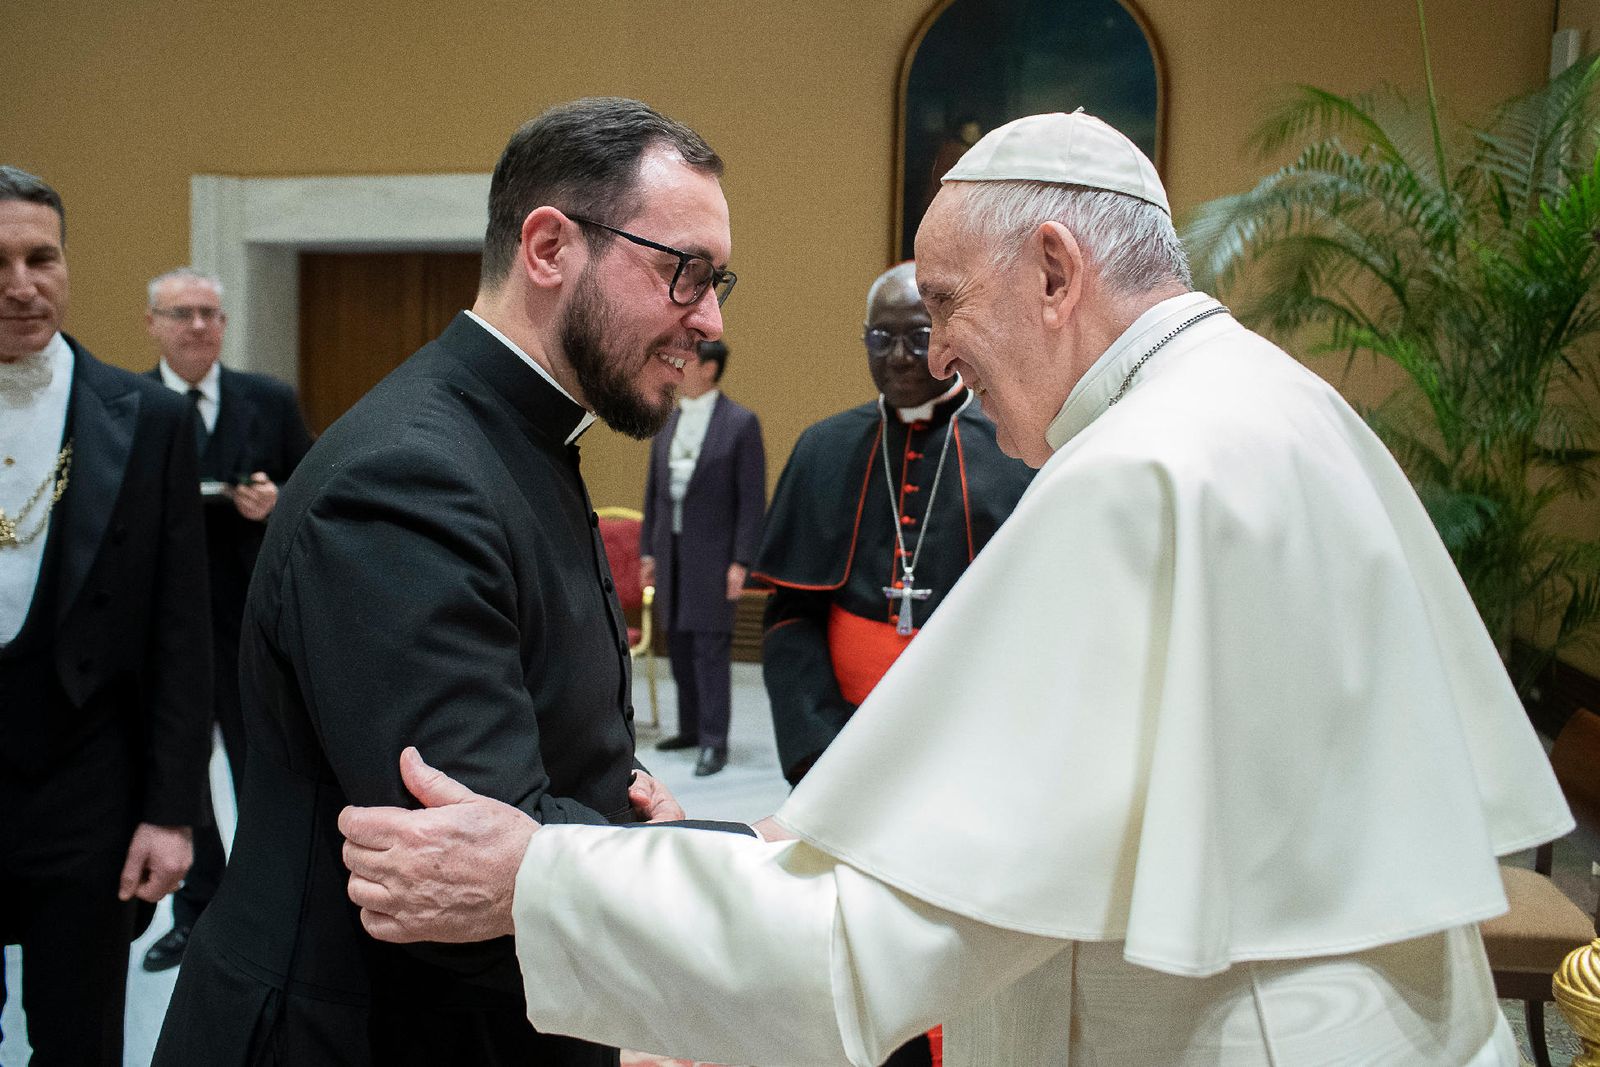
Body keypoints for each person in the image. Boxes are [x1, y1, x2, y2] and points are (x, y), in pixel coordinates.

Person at [338, 112, 1574, 1066]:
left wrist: (537, 876)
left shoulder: (1139, 472)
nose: (932, 357)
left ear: (1053, 269)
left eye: (943, 304)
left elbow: (878, 942)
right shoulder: (1274, 401)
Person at [155, 97, 740, 1066]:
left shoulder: (516, 435)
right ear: (548, 245)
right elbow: (466, 861)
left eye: (719, 282)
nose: (708, 320)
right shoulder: (411, 479)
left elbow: (543, 783)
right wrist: (724, 869)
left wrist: (620, 818)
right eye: (683, 272)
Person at [0, 166, 211, 1064]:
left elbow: (180, 632)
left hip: (87, 783)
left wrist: (172, 812)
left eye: (41, 257)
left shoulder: (149, 418)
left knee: (79, 1038)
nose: (21, 285)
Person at [755, 261, 1032, 792]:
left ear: (951, 339)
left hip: (973, 739)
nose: (900, 357)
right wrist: (818, 749)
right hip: (840, 733)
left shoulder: (1014, 452)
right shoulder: (823, 448)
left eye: (919, 336)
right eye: (881, 338)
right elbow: (791, 619)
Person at [138, 266, 314, 972]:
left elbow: (314, 487)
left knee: (262, 766)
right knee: (178, 774)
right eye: (181, 313)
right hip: (158, 627)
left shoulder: (266, 400)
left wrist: (278, 502)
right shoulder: (129, 402)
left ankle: (269, 909)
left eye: (211, 313)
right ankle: (194, 907)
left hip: (248, 618)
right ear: (152, 323)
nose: (198, 326)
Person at [643, 338, 766, 777]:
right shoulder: (669, 420)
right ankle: (691, 728)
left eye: (690, 359)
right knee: (675, 645)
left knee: (710, 649)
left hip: (714, 558)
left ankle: (715, 741)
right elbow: (654, 493)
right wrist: (647, 550)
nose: (681, 364)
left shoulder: (740, 423)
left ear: (710, 369)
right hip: (670, 553)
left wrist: (741, 562)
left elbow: (751, 500)